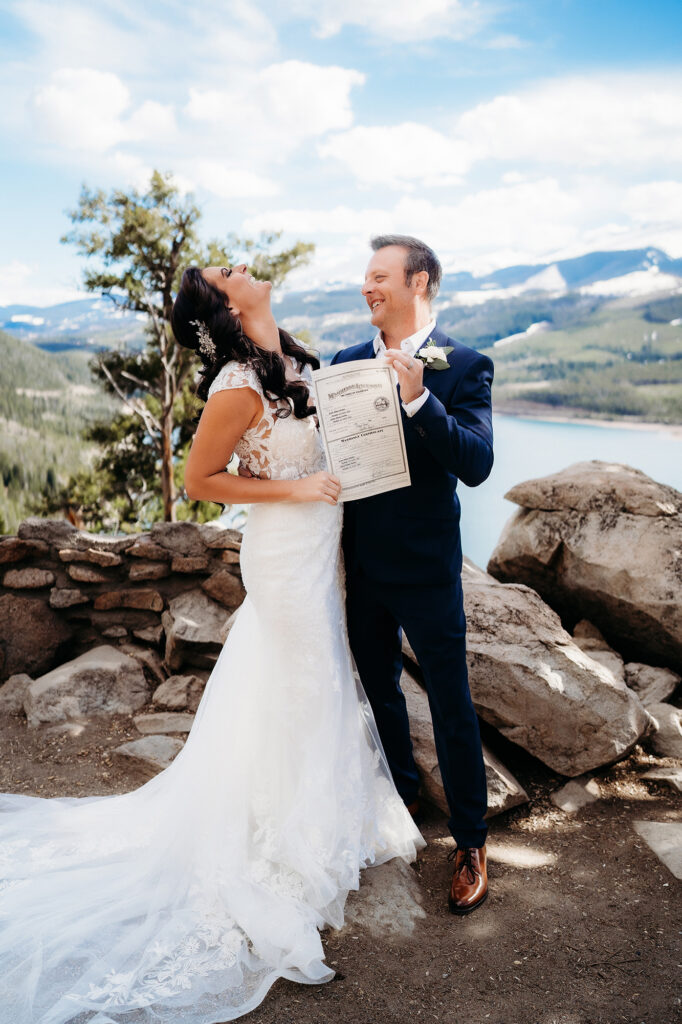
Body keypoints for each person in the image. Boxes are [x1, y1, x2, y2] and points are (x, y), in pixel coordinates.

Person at [0, 262, 424, 1024]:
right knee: (298, 685)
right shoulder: (235, 384)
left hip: (320, 547)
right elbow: (200, 478)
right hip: (285, 552)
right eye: (227, 271)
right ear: (227, 305)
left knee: (315, 680)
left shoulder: (292, 357)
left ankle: (316, 820)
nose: (243, 266)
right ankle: (275, 843)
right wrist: (296, 489)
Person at [331, 234, 494, 915]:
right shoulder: (343, 361)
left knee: (452, 706)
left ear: (418, 282)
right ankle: (399, 800)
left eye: (379, 276)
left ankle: (471, 842)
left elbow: (478, 463)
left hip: (428, 570)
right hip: (363, 564)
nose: (367, 287)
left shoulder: (463, 364)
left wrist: (421, 402)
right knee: (379, 691)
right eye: (365, 277)